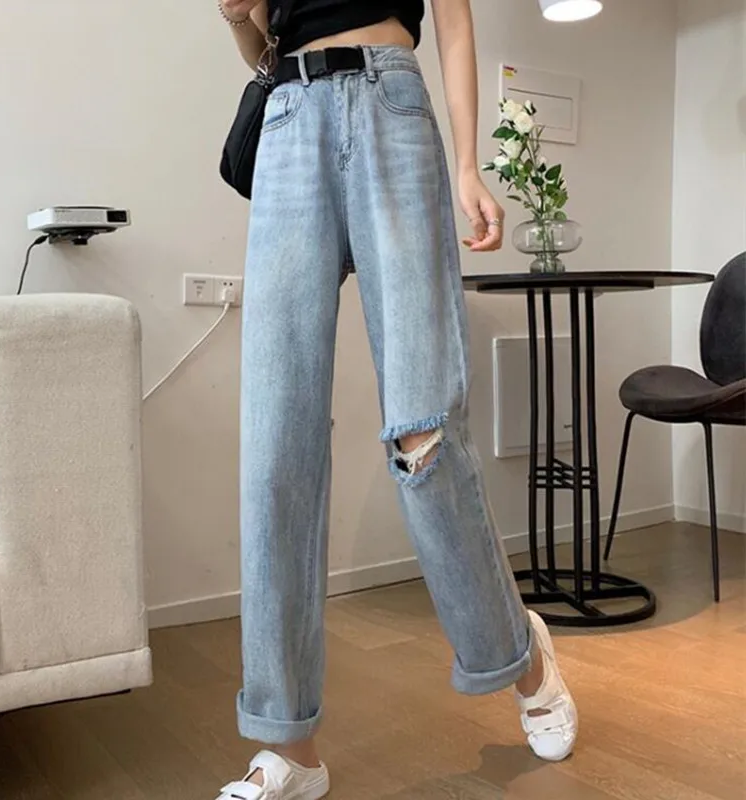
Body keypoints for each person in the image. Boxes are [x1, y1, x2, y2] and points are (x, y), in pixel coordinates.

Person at [217, 1, 578, 798]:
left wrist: (468, 166)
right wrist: (240, 17)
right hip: (288, 121)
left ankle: (521, 655)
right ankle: (290, 748)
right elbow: (261, 49)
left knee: (425, 437)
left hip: (391, 106)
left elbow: (454, 19)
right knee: (274, 449)